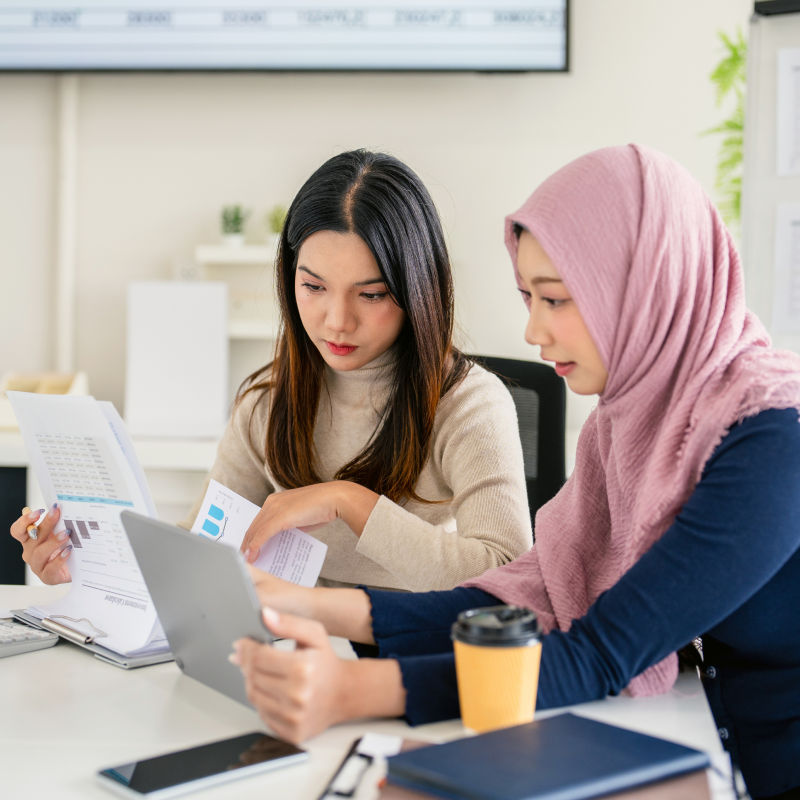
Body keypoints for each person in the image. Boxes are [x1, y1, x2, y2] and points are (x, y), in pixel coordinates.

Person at [230, 144, 800, 800]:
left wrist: (352, 691)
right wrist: (305, 605)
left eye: (555, 300)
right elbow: (525, 598)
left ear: (644, 288)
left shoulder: (770, 437)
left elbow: (601, 650)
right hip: (718, 744)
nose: (533, 331)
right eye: (528, 297)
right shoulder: (632, 423)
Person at [10, 149, 533, 592]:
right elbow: (201, 551)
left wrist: (346, 501)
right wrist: (82, 564)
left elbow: (508, 576)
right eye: (314, 287)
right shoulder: (269, 400)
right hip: (294, 653)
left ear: (421, 289)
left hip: (407, 658)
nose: (336, 321)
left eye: (371, 294)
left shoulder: (470, 406)